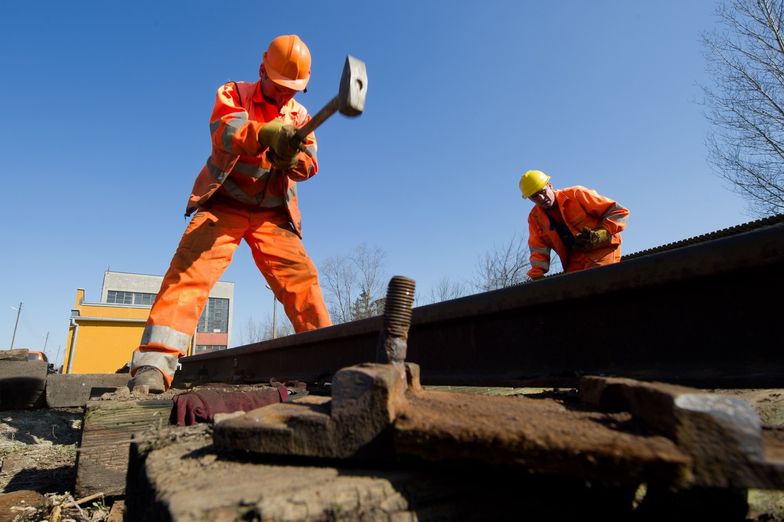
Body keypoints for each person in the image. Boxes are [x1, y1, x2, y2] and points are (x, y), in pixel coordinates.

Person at [128, 34, 332, 393]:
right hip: (225, 205)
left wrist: (293, 159)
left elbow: (310, 165)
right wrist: (264, 133)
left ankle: (332, 363)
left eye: (294, 89)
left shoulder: (301, 116)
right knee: (190, 273)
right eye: (281, 85)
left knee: (302, 282)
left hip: (271, 214)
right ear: (262, 71)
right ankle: (153, 366)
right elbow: (225, 131)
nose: (287, 95)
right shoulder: (234, 93)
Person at [519, 169, 629, 280]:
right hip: (574, 260)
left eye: (542, 191)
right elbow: (538, 249)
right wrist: (537, 275)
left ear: (550, 186)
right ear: (529, 198)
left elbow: (618, 212)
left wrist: (602, 234)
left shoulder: (576, 194)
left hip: (602, 251)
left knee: (598, 281)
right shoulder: (535, 218)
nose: (541, 198)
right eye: (535, 196)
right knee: (574, 289)